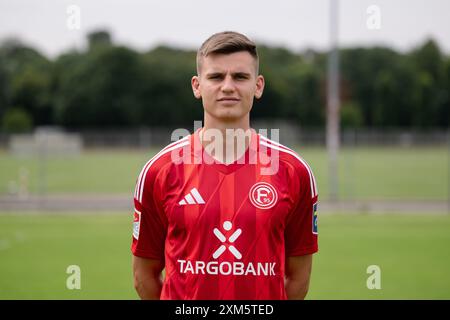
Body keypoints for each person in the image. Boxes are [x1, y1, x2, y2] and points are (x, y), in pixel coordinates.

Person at [131, 31, 318, 300]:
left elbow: (298, 277)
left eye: (240, 77)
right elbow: (144, 276)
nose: (228, 86)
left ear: (258, 85)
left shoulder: (294, 171)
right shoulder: (159, 170)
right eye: (216, 77)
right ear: (197, 86)